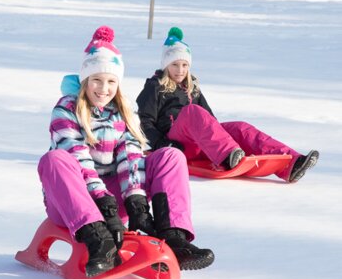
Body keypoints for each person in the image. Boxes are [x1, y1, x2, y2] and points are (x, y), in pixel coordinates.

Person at [38, 26, 214, 278]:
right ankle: (99, 242)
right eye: (96, 79)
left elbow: (130, 158)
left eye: (111, 81)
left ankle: (173, 236)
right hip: (71, 202)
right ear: (85, 80)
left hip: (114, 200)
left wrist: (137, 204)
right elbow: (79, 159)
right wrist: (105, 206)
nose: (103, 89)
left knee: (170, 155)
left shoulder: (123, 110)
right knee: (54, 160)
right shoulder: (66, 109)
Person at [136, 27, 318, 183]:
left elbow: (209, 120)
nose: (181, 70)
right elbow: (144, 121)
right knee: (192, 111)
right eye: (175, 64)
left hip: (201, 144)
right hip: (176, 144)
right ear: (166, 65)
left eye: (185, 65)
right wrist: (163, 144)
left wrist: (224, 136)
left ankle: (291, 162)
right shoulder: (155, 87)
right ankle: (228, 156)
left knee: (240, 127)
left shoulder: (192, 87)